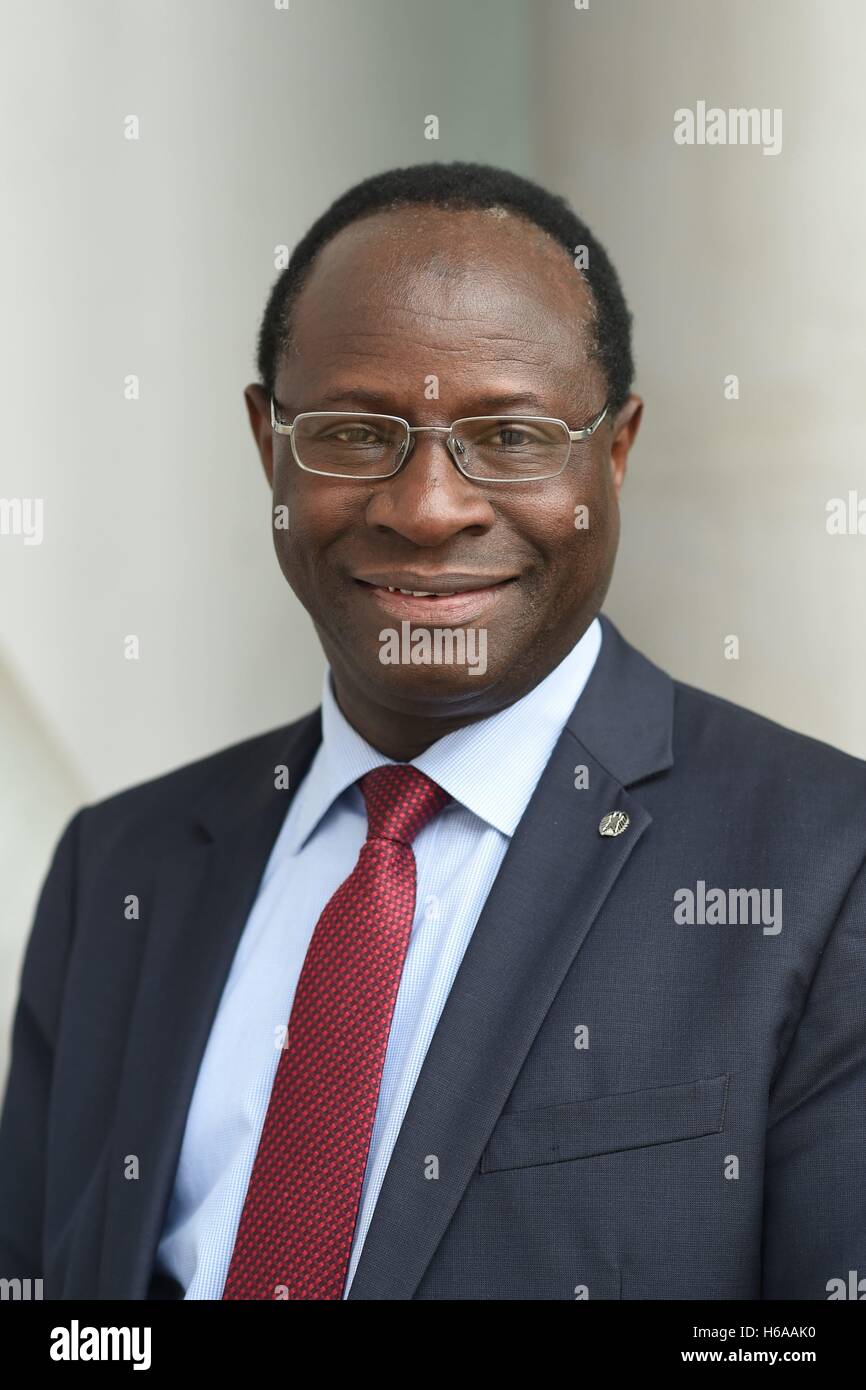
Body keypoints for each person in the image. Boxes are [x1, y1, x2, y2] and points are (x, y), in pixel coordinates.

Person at [1, 161, 864, 1301]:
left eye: (508, 437)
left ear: (613, 452)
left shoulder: (822, 860)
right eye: (357, 434)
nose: (426, 508)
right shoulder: (122, 865)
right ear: (268, 444)